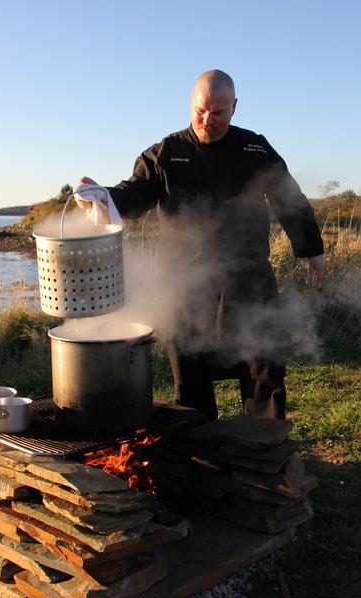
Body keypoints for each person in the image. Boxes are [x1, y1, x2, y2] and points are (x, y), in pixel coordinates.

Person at [80, 70, 325, 420]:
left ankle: (265, 450)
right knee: (191, 380)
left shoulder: (255, 148)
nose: (208, 120)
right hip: (184, 284)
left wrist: (312, 250)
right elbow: (132, 195)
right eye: (200, 110)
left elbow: (290, 200)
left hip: (248, 278)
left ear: (235, 108)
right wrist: (101, 198)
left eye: (219, 112)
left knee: (263, 368)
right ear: (190, 104)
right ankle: (199, 455)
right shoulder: (165, 154)